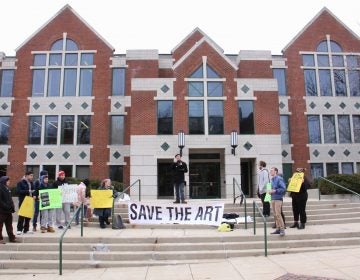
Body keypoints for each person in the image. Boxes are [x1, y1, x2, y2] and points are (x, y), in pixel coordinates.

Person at [268, 167, 286, 236]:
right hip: (273, 198)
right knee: (275, 215)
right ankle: (278, 229)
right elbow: (272, 189)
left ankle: (282, 229)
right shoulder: (272, 180)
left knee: (278, 214)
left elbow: (283, 189)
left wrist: (275, 190)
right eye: (270, 171)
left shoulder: (279, 179)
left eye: (272, 171)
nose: (270, 172)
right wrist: (269, 192)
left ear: (275, 171)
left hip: (278, 199)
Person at [0, 176, 18, 243]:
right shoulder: (0, 188)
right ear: (4, 181)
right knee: (0, 225)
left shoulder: (7, 188)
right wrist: (6, 206)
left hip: (8, 211)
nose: (9, 182)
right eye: (8, 181)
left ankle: (12, 238)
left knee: (9, 225)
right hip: (2, 211)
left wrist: (12, 207)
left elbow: (10, 199)